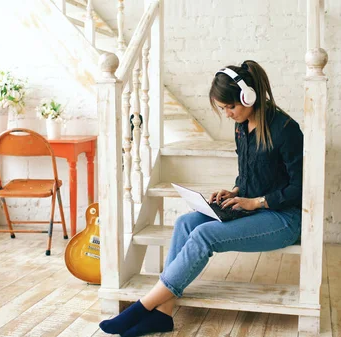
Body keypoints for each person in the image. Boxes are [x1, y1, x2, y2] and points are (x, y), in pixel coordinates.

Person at [99, 60, 303, 337]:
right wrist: (234, 191)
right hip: (252, 209)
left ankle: (143, 306)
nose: (228, 114)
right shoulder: (242, 126)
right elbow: (249, 175)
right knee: (185, 223)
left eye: (231, 107)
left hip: (283, 218)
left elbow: (300, 187)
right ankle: (164, 313)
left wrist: (256, 202)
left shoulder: (286, 129)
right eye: (223, 109)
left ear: (249, 96)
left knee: (205, 235)